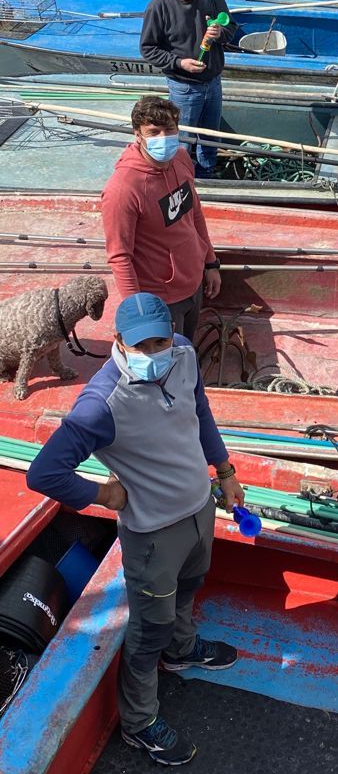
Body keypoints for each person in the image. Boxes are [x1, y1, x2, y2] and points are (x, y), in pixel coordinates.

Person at [27, 292, 245, 766]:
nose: (152, 354)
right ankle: (140, 722)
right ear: (119, 344)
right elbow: (44, 473)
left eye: (159, 341)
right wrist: (103, 496)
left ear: (171, 334)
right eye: (140, 346)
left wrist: (224, 471)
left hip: (198, 509)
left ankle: (184, 651)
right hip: (152, 536)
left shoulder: (184, 353)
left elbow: (200, 411)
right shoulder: (101, 404)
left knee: (192, 584)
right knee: (149, 631)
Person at [101, 95, 221, 340]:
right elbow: (120, 256)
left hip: (194, 282)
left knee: (187, 350)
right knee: (167, 362)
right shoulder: (123, 189)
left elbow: (195, 214)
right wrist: (139, 312)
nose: (163, 139)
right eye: (153, 132)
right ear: (138, 135)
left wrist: (210, 262)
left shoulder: (181, 158)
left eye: (169, 130)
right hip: (160, 298)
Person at [139, 0, 237, 176]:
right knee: (182, 140)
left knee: (211, 136)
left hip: (213, 81)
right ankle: (181, 177)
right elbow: (148, 48)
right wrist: (180, 63)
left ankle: (207, 173)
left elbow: (231, 27)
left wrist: (220, 32)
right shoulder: (159, 6)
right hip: (183, 87)